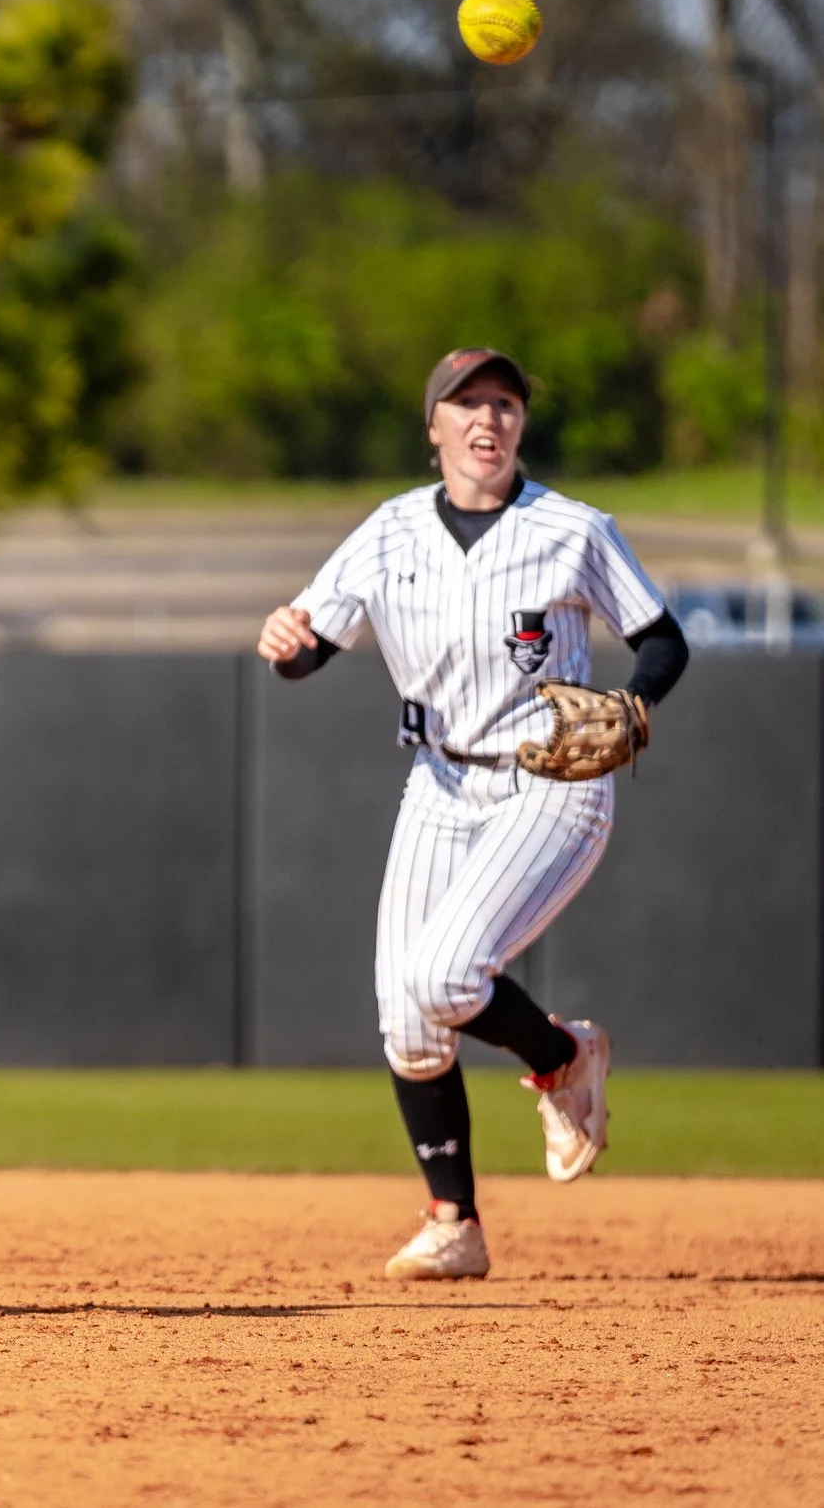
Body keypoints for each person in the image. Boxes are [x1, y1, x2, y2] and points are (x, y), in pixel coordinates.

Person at [256, 347, 690, 1280]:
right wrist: (286, 641)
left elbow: (661, 637)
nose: (488, 418)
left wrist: (634, 701)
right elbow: (311, 646)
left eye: (504, 403)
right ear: (435, 427)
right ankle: (455, 1223)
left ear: (520, 425)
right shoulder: (388, 532)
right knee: (408, 1023)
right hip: (441, 780)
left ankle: (562, 1059)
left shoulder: (573, 529)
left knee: (446, 973)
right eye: (467, 403)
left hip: (552, 775)